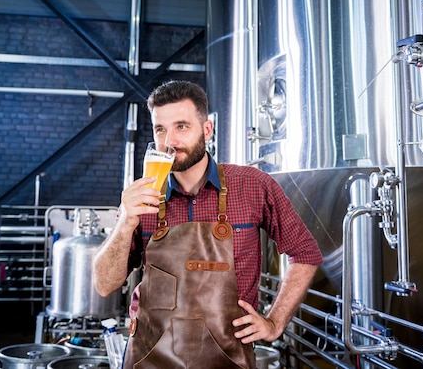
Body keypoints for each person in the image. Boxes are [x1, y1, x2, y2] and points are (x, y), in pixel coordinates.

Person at [93, 80, 323, 368]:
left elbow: (305, 252)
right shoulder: (140, 199)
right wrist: (125, 224)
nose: (169, 141)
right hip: (150, 357)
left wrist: (275, 322)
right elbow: (104, 285)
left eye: (182, 126)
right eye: (160, 129)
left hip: (229, 357)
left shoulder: (252, 185)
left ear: (207, 129)